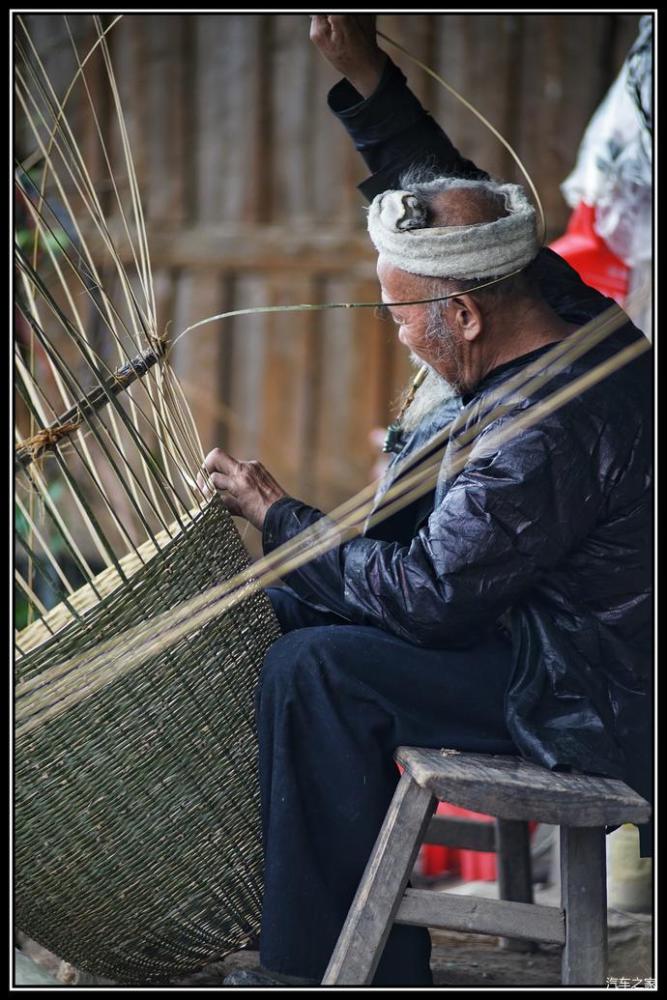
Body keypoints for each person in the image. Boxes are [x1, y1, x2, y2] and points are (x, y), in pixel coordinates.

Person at [210, 16, 652, 987]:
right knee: (287, 618)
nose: (397, 332)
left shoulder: (545, 429)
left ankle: (324, 966)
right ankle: (310, 920)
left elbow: (422, 598)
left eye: (400, 312)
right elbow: (443, 188)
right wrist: (364, 74)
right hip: (535, 629)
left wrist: (280, 515)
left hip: (580, 689)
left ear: (461, 312)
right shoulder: (547, 300)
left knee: (320, 669)